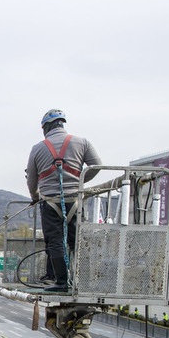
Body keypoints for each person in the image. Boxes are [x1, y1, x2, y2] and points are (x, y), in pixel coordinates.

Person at [26, 109, 102, 293]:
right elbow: (97, 165)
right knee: (78, 241)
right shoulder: (82, 142)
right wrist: (80, 182)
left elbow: (31, 180)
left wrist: (35, 197)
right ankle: (83, 282)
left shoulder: (38, 148)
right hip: (76, 200)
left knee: (55, 241)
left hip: (50, 201)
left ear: (46, 127)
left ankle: (61, 282)